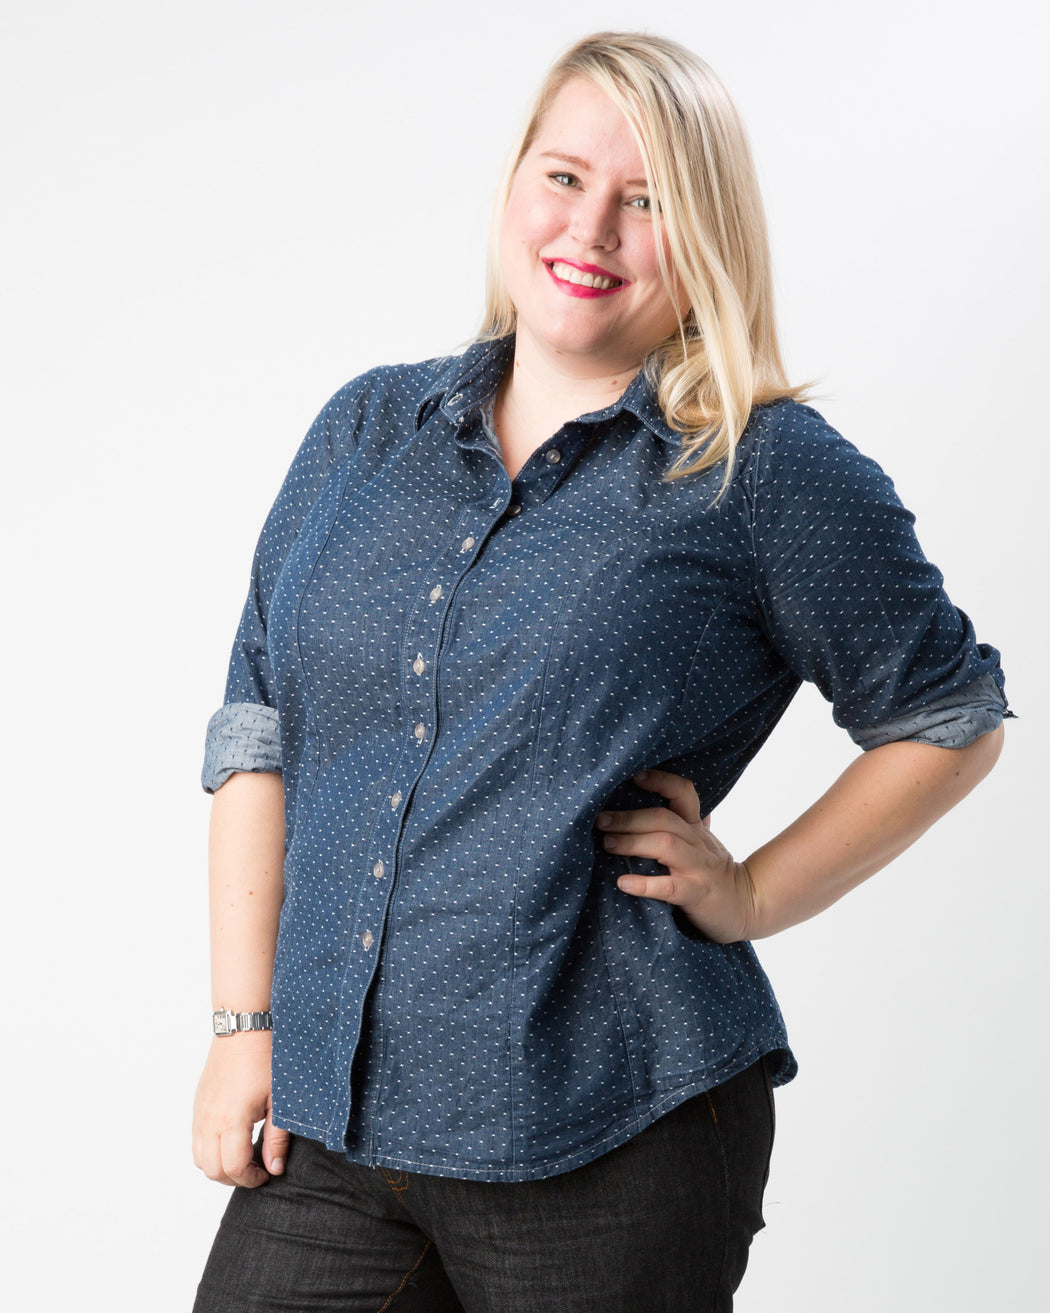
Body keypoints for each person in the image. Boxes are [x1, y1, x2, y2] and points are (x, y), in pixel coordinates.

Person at [190, 30, 1009, 1312]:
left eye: (651, 201)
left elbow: (951, 715)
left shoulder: (764, 470)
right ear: (516, 185)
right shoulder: (365, 427)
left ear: (710, 237)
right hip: (330, 1120)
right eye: (566, 177)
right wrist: (245, 1028)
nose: (595, 227)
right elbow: (259, 728)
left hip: (608, 1128)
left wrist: (750, 892)